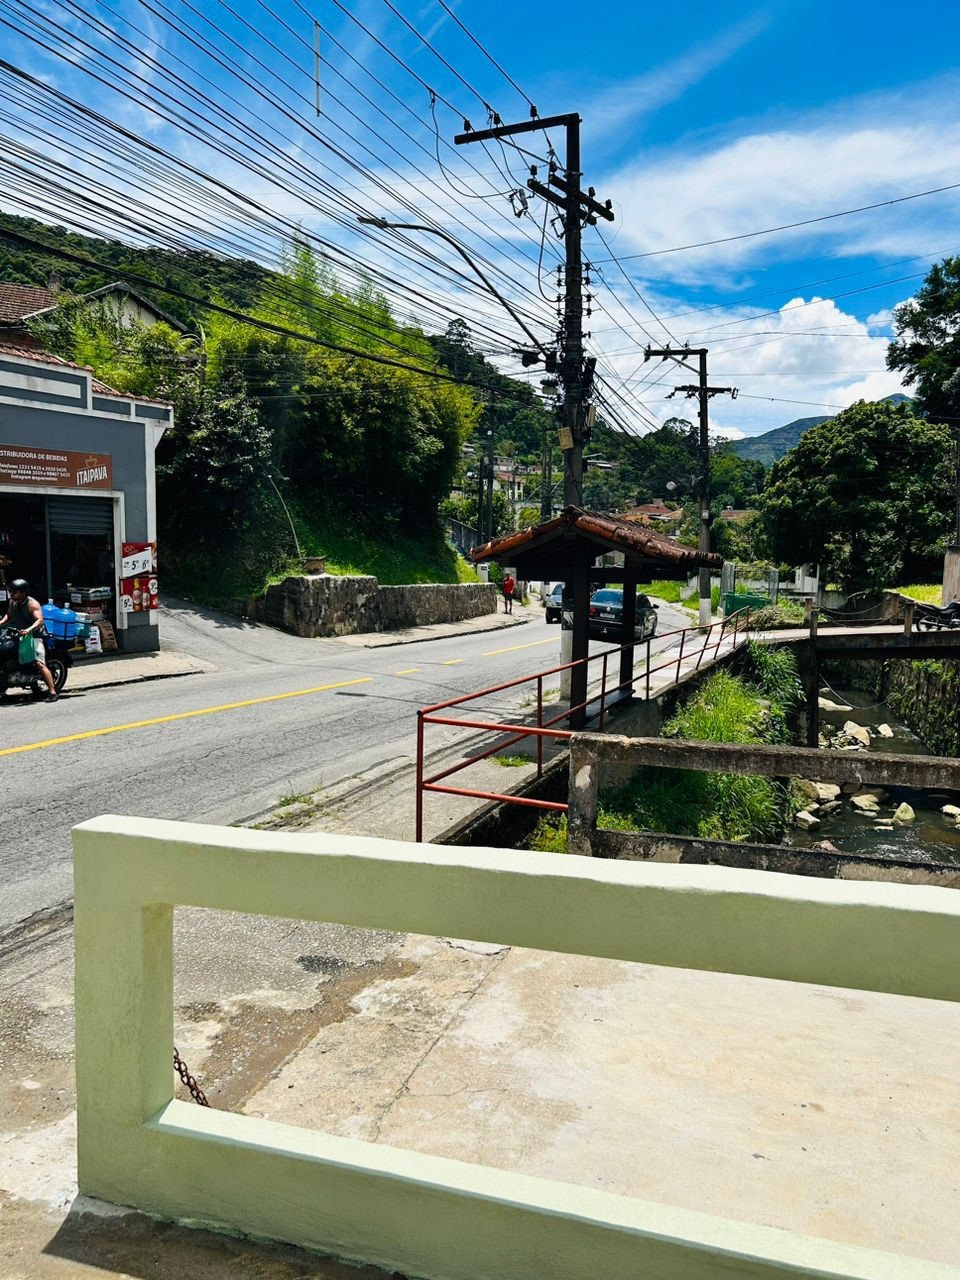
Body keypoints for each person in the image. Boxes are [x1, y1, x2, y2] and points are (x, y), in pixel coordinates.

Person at [0, 579, 58, 701]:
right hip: (19, 634)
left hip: (34, 636)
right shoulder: (13, 602)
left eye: (14, 592)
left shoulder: (32, 604)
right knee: (5, 652)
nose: (12, 594)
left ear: (23, 592)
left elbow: (39, 621)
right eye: (11, 591)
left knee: (39, 662)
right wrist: (0, 623)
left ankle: (52, 692)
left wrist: (29, 629)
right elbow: (9, 616)